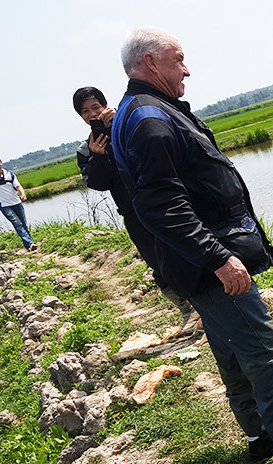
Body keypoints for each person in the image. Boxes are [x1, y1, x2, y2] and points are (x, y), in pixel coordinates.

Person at [110, 27, 273, 464]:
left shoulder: (143, 110)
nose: (187, 69)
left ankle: (261, 434)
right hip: (207, 262)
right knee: (262, 349)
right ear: (149, 63)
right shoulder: (149, 119)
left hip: (193, 262)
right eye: (178, 59)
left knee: (231, 348)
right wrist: (219, 257)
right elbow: (161, 205)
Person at [72, 86, 199, 333]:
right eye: (85, 111)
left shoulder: (127, 125)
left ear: (105, 105)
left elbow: (154, 149)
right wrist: (98, 157)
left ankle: (209, 307)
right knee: (157, 264)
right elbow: (97, 184)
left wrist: (119, 121)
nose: (92, 114)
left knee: (187, 250)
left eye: (96, 107)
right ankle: (188, 311)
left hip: (162, 200)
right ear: (81, 117)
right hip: (133, 213)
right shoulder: (85, 150)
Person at [0, 156, 38, 251]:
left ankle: (29, 245)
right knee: (17, 223)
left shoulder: (9, 174)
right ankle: (30, 243)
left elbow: (18, 186)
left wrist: (22, 194)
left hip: (17, 202)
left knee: (23, 224)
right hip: (4, 205)